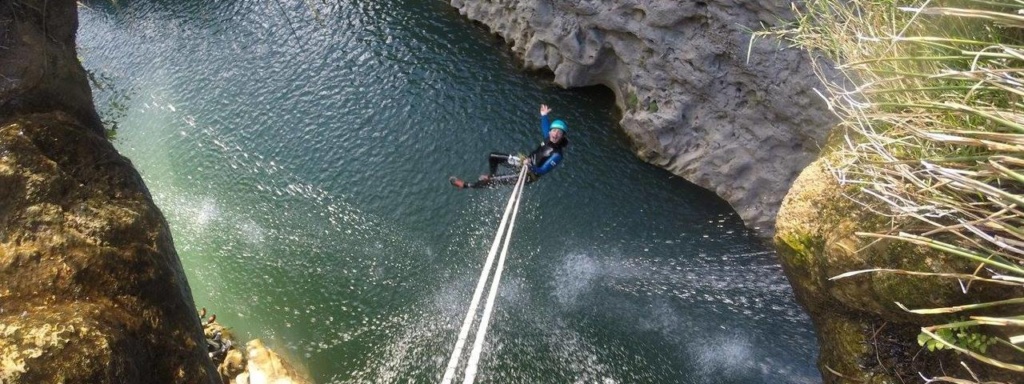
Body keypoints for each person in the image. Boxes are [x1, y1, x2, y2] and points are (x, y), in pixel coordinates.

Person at [450, 104, 569, 189]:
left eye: (559, 133)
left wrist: (530, 167)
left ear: (563, 136)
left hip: (528, 175)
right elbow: (545, 127)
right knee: (493, 157)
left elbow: (543, 170)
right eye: (554, 131)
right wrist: (544, 116)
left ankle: (466, 185)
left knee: (491, 181)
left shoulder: (557, 155)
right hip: (523, 162)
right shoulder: (548, 137)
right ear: (550, 132)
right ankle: (492, 174)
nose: (555, 134)